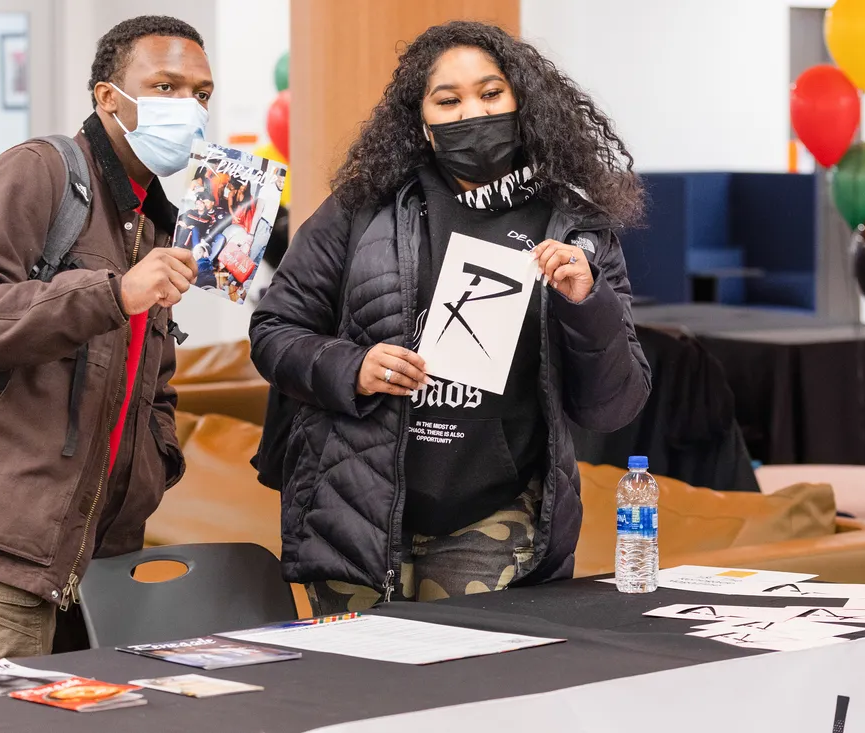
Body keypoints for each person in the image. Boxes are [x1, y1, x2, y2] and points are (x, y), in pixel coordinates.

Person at [251, 21, 651, 613]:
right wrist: (353, 367)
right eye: (449, 99)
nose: (472, 111)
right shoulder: (361, 208)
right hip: (353, 505)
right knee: (348, 690)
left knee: (467, 686)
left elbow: (615, 404)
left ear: (524, 102)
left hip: (492, 512)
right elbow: (274, 330)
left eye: (491, 94)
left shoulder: (574, 226)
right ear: (423, 120)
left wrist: (586, 302)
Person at [0, 15, 210, 665]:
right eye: (165, 86)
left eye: (201, 94)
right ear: (108, 96)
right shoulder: (37, 173)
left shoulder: (151, 219)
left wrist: (153, 466)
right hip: (5, 549)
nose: (188, 109)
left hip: (106, 557)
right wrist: (112, 293)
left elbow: (149, 375)